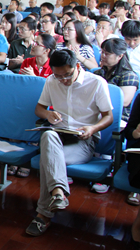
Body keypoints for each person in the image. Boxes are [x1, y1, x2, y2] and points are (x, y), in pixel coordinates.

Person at [25, 49, 113, 237]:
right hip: (59, 134)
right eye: (58, 76)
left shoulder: (96, 83)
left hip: (84, 139)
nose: (63, 80)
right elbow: (39, 108)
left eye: (67, 75)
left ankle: (43, 215)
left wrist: (92, 129)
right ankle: (57, 193)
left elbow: (108, 116)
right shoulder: (52, 81)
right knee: (48, 135)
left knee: (48, 160)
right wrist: (48, 114)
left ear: (77, 67)